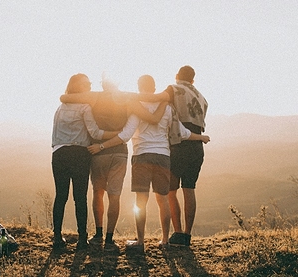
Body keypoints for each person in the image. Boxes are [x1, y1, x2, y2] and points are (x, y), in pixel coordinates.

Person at [87, 75, 210, 251]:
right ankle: (165, 240)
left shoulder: (137, 107)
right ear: (154, 88)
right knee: (163, 200)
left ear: (139, 87)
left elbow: (125, 135)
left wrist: (102, 146)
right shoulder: (167, 108)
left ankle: (140, 241)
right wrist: (201, 137)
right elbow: (182, 132)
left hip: (142, 156)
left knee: (141, 201)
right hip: (163, 157)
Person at [60, 76, 166, 250]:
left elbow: (65, 98)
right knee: (114, 195)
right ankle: (109, 240)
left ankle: (98, 234)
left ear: (103, 84)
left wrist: (64, 97)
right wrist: (165, 98)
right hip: (119, 153)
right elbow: (151, 109)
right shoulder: (128, 98)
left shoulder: (94, 97)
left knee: (98, 193)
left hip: (97, 152)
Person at [136, 65, 209, 246]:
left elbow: (155, 98)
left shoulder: (173, 89)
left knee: (170, 190)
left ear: (177, 76)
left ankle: (176, 233)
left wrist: (129, 97)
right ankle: (187, 234)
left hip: (178, 144)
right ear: (193, 80)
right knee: (189, 189)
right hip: (196, 145)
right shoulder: (201, 97)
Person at [51, 73, 119, 251]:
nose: (89, 85)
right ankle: (82, 239)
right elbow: (95, 133)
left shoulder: (60, 107)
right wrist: (117, 134)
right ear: (77, 87)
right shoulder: (85, 107)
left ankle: (57, 237)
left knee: (61, 196)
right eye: (86, 83)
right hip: (79, 154)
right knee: (80, 198)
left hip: (59, 154)